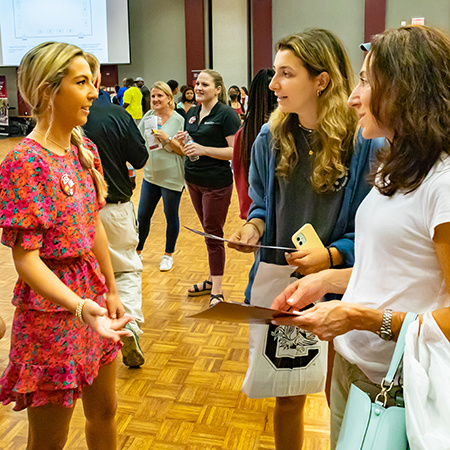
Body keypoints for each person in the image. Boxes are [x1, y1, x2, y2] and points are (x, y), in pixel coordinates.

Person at [270, 26, 450, 449]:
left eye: (367, 81)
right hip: (357, 370)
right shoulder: (396, 166)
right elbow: (393, 268)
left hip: (405, 385)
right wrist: (326, 283)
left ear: (406, 89)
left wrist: (358, 318)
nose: (352, 96)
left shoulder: (443, 183)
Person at [228, 29, 384, 450]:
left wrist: (333, 253)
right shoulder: (269, 137)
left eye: (286, 74)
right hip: (286, 286)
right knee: (289, 393)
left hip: (343, 288)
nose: (273, 84)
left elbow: (372, 228)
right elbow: (260, 204)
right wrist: (253, 227)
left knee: (344, 395)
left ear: (321, 80)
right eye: (275, 74)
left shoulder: (365, 142)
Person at [0, 41, 132, 449]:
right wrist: (78, 306)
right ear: (47, 92)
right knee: (48, 441)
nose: (95, 91)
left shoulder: (82, 147)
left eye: (92, 82)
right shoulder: (24, 162)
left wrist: (110, 288)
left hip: (91, 296)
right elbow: (27, 260)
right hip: (50, 314)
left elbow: (92, 226)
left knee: (105, 412)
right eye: (81, 82)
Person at [83, 53, 149, 368]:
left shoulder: (55, 122)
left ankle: (90, 334)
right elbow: (140, 159)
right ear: (99, 80)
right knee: (125, 270)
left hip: (76, 215)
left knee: (82, 273)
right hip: (115, 206)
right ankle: (129, 325)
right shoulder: (116, 115)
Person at [176, 69, 241, 305]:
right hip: (193, 179)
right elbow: (194, 144)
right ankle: (212, 279)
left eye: (205, 84)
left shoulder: (227, 115)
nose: (198, 87)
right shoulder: (192, 112)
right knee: (207, 232)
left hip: (216, 184)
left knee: (213, 234)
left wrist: (203, 149)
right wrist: (186, 142)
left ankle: (218, 290)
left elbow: (235, 152)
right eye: (197, 83)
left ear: (218, 89)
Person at [137, 82, 185, 272]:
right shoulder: (148, 117)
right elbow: (138, 139)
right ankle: (138, 252)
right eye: (153, 96)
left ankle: (168, 255)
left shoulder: (179, 120)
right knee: (142, 216)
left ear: (169, 99)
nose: (155, 100)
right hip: (150, 175)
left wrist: (166, 138)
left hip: (172, 177)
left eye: (160, 96)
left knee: (170, 216)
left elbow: (183, 151)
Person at [232, 68, 277, 220]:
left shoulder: (244, 134)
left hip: (256, 214)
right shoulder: (251, 134)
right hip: (267, 216)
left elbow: (241, 179)